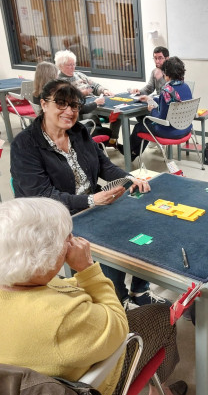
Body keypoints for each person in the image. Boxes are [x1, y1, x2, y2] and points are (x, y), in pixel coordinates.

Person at [0, 197, 187, 395]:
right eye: (67, 237)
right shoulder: (62, 317)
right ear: (42, 257)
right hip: (90, 388)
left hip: (22, 383)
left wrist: (81, 282)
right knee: (163, 316)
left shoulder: (19, 281)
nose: (72, 240)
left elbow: (55, 287)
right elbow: (119, 327)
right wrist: (88, 269)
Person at [10, 79, 165, 307]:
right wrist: (91, 200)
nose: (69, 111)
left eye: (74, 105)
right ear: (43, 104)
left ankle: (139, 290)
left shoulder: (79, 132)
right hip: (53, 218)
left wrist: (130, 178)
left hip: (91, 205)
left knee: (142, 216)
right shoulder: (24, 145)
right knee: (109, 240)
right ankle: (118, 299)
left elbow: (104, 165)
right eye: (61, 103)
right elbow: (43, 196)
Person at [117, 56, 192, 162]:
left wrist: (151, 109)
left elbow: (160, 119)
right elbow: (169, 102)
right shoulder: (186, 87)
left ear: (167, 73)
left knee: (140, 126)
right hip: (185, 129)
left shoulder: (167, 91)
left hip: (170, 132)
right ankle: (133, 153)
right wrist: (149, 99)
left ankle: (129, 153)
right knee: (145, 124)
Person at [54, 50, 120, 145]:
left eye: (74, 64)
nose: (73, 67)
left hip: (96, 101)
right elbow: (69, 99)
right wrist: (83, 93)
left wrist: (104, 90)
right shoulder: (60, 82)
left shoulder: (79, 75)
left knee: (117, 111)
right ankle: (98, 143)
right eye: (69, 65)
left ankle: (112, 139)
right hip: (82, 108)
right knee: (92, 117)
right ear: (61, 66)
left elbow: (95, 85)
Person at [33, 61, 110, 141]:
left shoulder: (36, 94)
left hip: (50, 129)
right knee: (106, 131)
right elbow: (80, 109)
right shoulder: (57, 94)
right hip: (68, 131)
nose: (57, 76)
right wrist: (96, 103)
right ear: (52, 76)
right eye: (56, 74)